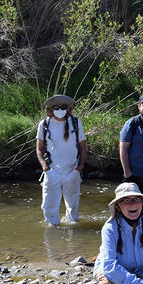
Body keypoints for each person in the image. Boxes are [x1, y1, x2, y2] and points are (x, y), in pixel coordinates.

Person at [36, 95, 87, 227]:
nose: (60, 110)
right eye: (56, 107)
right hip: (52, 171)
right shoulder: (44, 124)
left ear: (68, 109)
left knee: (73, 207)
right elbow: (39, 149)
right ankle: (52, 235)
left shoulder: (76, 122)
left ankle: (74, 236)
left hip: (72, 170)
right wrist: (45, 168)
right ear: (51, 109)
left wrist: (79, 168)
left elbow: (82, 147)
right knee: (48, 206)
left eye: (63, 107)